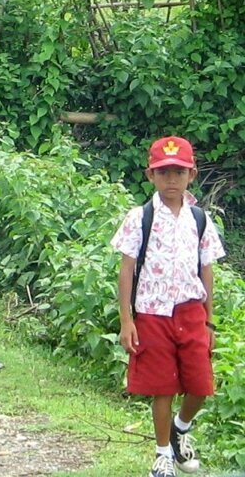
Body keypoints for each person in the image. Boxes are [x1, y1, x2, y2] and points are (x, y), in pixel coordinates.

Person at [111, 136, 225, 477]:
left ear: (191, 174)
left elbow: (207, 271)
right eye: (164, 173)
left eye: (178, 172)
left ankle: (181, 428)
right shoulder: (139, 217)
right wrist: (126, 321)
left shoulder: (200, 220)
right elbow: (127, 270)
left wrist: (209, 323)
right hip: (151, 313)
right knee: (162, 387)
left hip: (191, 312)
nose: (171, 180)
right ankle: (162, 455)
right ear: (150, 176)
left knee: (201, 384)